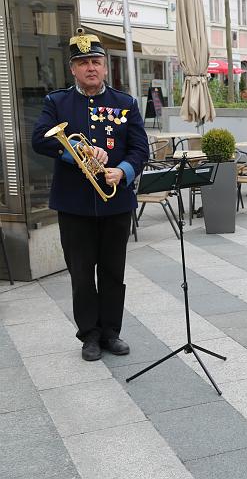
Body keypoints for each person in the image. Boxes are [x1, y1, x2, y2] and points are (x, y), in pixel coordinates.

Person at [31, 28, 148, 361]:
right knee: (81, 273)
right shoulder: (57, 102)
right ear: (73, 69)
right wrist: (77, 155)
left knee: (113, 271)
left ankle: (112, 332)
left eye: (96, 61)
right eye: (83, 63)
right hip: (74, 205)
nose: (90, 68)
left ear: (105, 65)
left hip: (115, 202)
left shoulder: (125, 104)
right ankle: (90, 335)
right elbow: (39, 139)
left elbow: (140, 149)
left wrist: (122, 171)